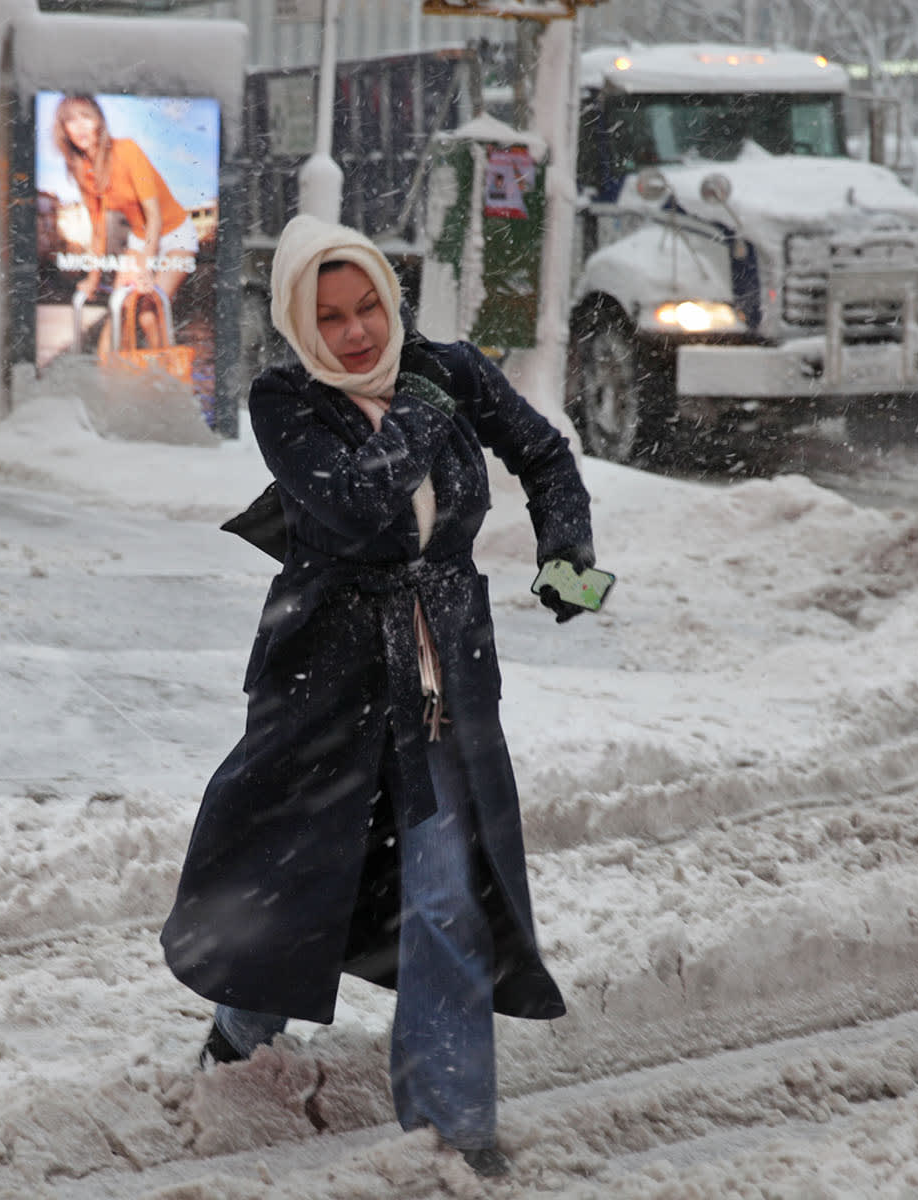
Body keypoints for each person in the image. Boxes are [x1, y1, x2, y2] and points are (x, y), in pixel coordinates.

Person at [160, 214, 598, 1180]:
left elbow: (547, 455)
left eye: (367, 307)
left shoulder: (445, 365)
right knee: (291, 873)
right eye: (330, 318)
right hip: (323, 675)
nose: (357, 333)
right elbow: (359, 506)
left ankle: (454, 1128)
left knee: (446, 898)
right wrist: (422, 409)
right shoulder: (286, 401)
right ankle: (244, 1028)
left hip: (441, 678)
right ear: (296, 324)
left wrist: (568, 551)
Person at [52, 94, 195, 348]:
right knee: (119, 310)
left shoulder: (126, 150)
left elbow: (154, 215)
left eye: (86, 117)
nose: (80, 127)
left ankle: (162, 376)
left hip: (175, 233)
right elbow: (98, 230)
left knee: (149, 314)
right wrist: (92, 278)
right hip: (141, 238)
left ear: (100, 122)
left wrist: (146, 267)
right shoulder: (83, 171)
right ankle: (107, 378)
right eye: (71, 121)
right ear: (64, 129)